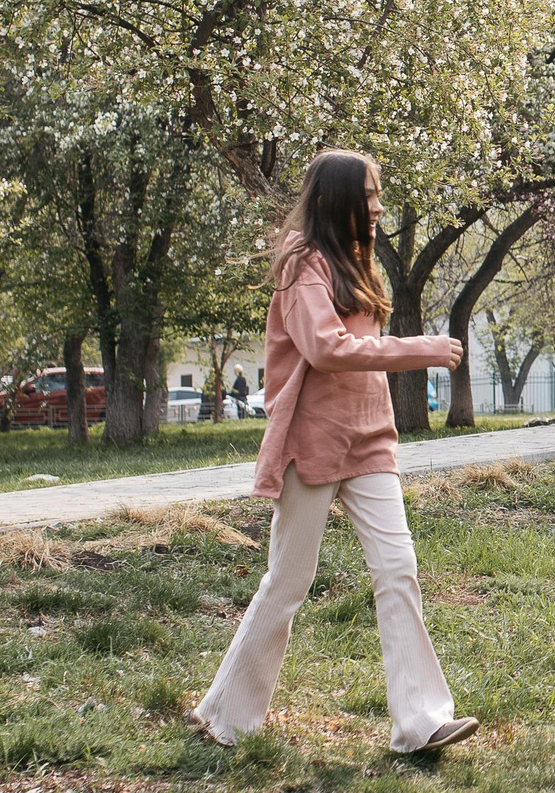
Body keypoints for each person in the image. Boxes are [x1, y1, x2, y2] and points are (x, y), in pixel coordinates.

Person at [192, 149, 479, 755]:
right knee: (288, 581)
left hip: (370, 440)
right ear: (335, 201)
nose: (378, 208)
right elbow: (325, 347)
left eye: (378, 196)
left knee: (398, 569)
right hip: (313, 443)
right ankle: (227, 714)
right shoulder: (303, 264)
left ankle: (420, 722)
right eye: (369, 196)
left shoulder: (354, 260)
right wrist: (416, 349)